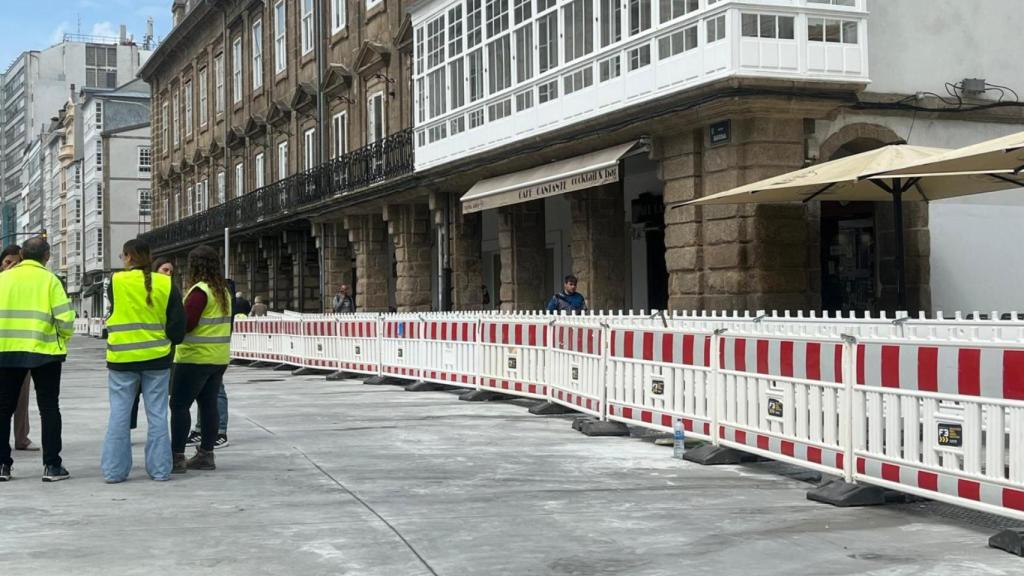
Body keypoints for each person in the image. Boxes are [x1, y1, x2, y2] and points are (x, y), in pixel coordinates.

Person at [101, 240, 186, 483]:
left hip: (122, 359)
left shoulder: (115, 283)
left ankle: (114, 471)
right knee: (158, 414)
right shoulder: (165, 283)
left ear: (127, 257)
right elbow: (178, 324)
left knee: (119, 414)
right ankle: (160, 470)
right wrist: (169, 341)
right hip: (157, 358)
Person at [0, 237, 75, 482]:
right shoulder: (51, 281)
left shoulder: (3, 279)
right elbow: (65, 319)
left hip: (6, 350)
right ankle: (52, 466)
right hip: (45, 352)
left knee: (3, 409)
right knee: (49, 407)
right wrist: (62, 338)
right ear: (47, 256)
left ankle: (2, 465)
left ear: (21, 255)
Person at [170, 245, 233, 473]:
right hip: (217, 358)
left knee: (179, 405)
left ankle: (177, 456)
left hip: (194, 358)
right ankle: (206, 454)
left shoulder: (199, 292)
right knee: (208, 406)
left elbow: (187, 323)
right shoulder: (223, 292)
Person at [130, 257, 175, 431]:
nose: (168, 274)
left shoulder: (171, 290)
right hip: (139, 350)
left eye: (171, 271)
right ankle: (129, 426)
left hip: (159, 352)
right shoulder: (143, 290)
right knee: (133, 396)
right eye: (165, 270)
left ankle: (157, 434)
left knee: (157, 403)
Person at [1, 245, 38, 453]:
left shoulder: (26, 283)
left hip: (21, 347)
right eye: (8, 262)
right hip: (3, 346)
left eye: (16, 263)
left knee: (21, 398)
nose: (12, 267)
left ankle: (21, 437)